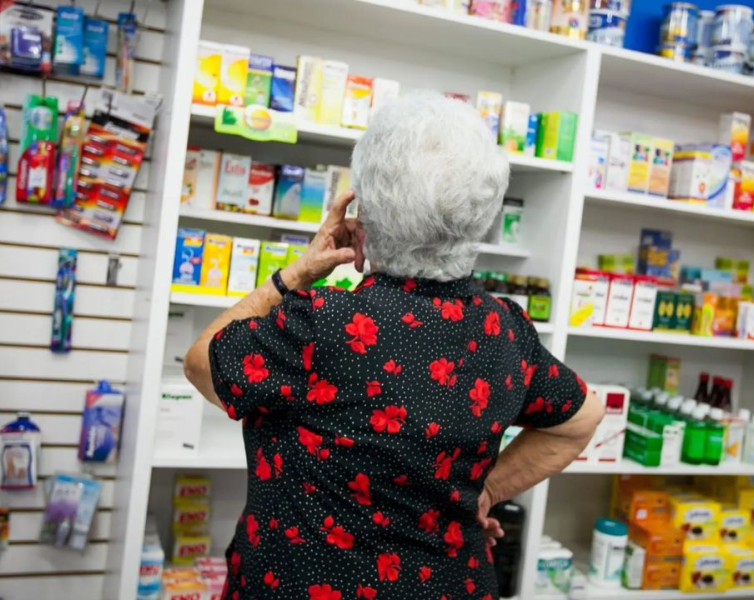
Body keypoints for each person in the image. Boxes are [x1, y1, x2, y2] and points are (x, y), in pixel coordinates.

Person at [184, 91, 603, 600]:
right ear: (483, 213)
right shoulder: (506, 330)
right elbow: (580, 420)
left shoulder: (325, 324)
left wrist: (293, 274)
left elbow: (202, 363)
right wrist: (488, 491)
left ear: (363, 214)